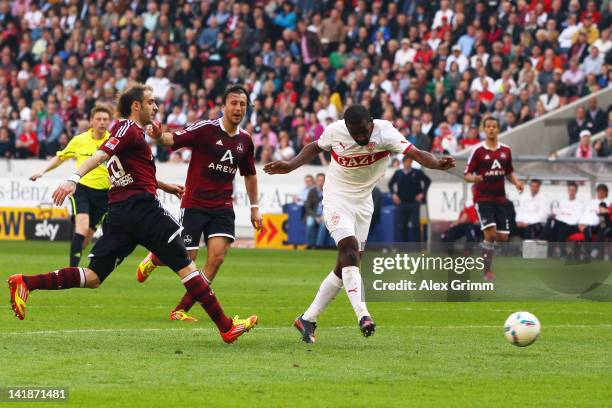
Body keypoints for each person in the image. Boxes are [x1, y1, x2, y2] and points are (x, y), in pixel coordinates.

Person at [8, 84, 257, 344]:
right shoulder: (128, 129)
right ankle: (226, 327)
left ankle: (26, 282)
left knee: (93, 277)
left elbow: (132, 170)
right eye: (151, 102)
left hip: (120, 213)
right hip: (141, 209)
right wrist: (73, 179)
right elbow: (101, 156)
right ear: (136, 106)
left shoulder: (128, 133)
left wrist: (165, 186)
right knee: (186, 263)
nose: (156, 107)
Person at [264, 104, 455, 343]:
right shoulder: (336, 131)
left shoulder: (386, 132)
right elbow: (314, 146)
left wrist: (436, 163)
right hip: (336, 199)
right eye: (356, 133)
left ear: (371, 123)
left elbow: (415, 153)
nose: (361, 137)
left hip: (364, 204)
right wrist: (291, 165)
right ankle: (363, 315)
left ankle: (307, 319)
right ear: (347, 128)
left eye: (364, 131)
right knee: (350, 251)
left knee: (345, 266)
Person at [135, 85, 263, 322]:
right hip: (195, 203)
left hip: (223, 206)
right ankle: (156, 257)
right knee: (188, 258)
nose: (237, 108)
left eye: (242, 104)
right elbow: (172, 138)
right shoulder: (206, 129)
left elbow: (250, 174)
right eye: (233, 103)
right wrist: (157, 136)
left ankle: (180, 309)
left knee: (217, 258)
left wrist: (255, 208)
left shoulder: (245, 140)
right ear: (223, 106)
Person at [30, 104, 112, 267]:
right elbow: (60, 157)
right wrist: (42, 170)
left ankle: (75, 261)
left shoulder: (113, 140)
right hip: (82, 189)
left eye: (105, 119)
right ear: (91, 121)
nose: (102, 122)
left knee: (85, 239)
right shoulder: (79, 140)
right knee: (81, 227)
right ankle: (71, 272)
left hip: (104, 194)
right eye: (99, 119)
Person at [464, 117, 524, 281]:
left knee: (503, 238)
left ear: (498, 130)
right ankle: (487, 271)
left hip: (500, 199)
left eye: (494, 127)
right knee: (490, 235)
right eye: (488, 127)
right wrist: (473, 179)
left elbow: (508, 172)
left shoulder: (506, 150)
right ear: (484, 130)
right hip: (483, 199)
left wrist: (517, 182)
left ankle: (484, 246)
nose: (491, 129)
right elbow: (467, 174)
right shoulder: (478, 151)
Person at [388, 156, 431, 241]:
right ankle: (403, 247)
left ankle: (417, 247)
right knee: (402, 226)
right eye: (407, 162)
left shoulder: (417, 172)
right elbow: (390, 184)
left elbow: (427, 181)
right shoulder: (398, 173)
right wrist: (393, 194)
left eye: (410, 162)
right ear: (403, 163)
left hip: (414, 203)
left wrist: (422, 193)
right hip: (402, 203)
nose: (409, 164)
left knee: (416, 225)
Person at [541, 182, 584, 256]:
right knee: (550, 223)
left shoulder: (579, 203)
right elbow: (559, 215)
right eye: (570, 190)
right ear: (567, 191)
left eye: (573, 190)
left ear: (576, 191)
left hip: (572, 225)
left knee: (561, 228)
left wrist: (563, 220)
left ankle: (563, 253)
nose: (571, 192)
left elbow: (576, 219)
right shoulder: (563, 202)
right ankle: (548, 250)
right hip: (561, 223)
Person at [304, 173, 324, 249]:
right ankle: (310, 244)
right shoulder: (312, 192)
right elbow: (308, 207)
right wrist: (315, 217)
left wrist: (324, 216)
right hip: (312, 214)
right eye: (319, 180)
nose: (320, 182)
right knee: (310, 223)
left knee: (324, 225)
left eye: (322, 180)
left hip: (324, 215)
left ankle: (318, 245)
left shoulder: (328, 192)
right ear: (316, 181)